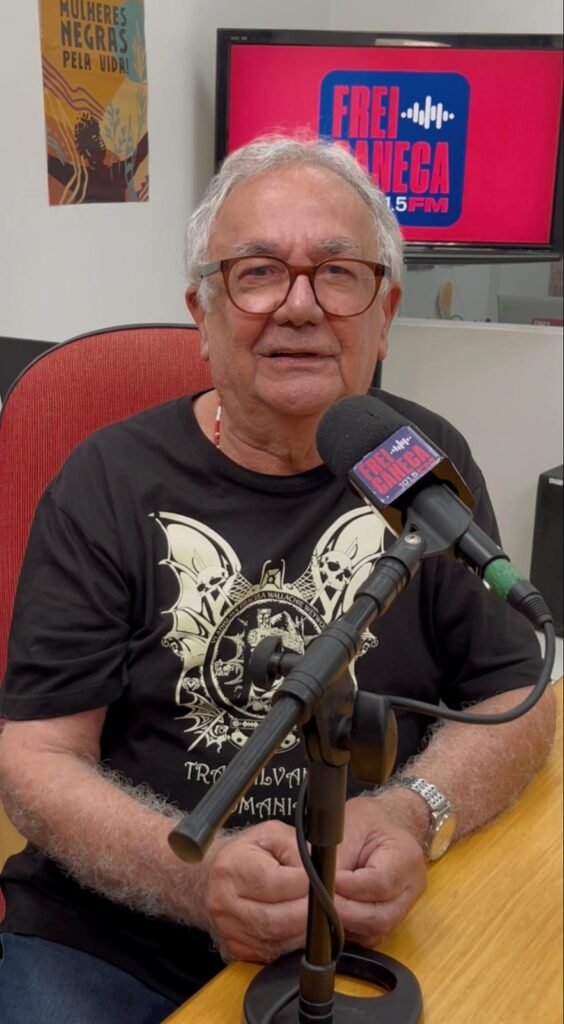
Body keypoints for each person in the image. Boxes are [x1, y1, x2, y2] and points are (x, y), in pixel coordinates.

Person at [0, 135, 556, 1024]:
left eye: (338, 272)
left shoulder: (422, 462)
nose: (300, 307)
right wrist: (188, 877)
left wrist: (416, 812)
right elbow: (34, 757)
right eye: (258, 272)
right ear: (203, 312)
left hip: (374, 928)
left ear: (384, 313)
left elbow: (514, 696)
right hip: (116, 936)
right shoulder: (105, 480)